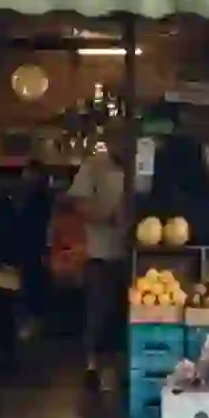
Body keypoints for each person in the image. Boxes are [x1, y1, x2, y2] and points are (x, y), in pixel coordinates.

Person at [67, 140, 128, 391]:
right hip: (100, 254)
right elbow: (78, 205)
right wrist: (108, 216)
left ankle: (124, 368)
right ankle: (93, 366)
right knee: (98, 312)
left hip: (134, 255)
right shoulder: (94, 166)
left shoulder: (143, 164)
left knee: (126, 314)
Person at [15, 158, 54, 339]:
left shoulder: (38, 197)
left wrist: (46, 248)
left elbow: (45, 225)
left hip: (35, 247)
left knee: (33, 285)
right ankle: (33, 324)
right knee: (32, 284)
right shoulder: (35, 195)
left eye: (28, 172)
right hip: (31, 246)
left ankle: (34, 325)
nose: (25, 175)